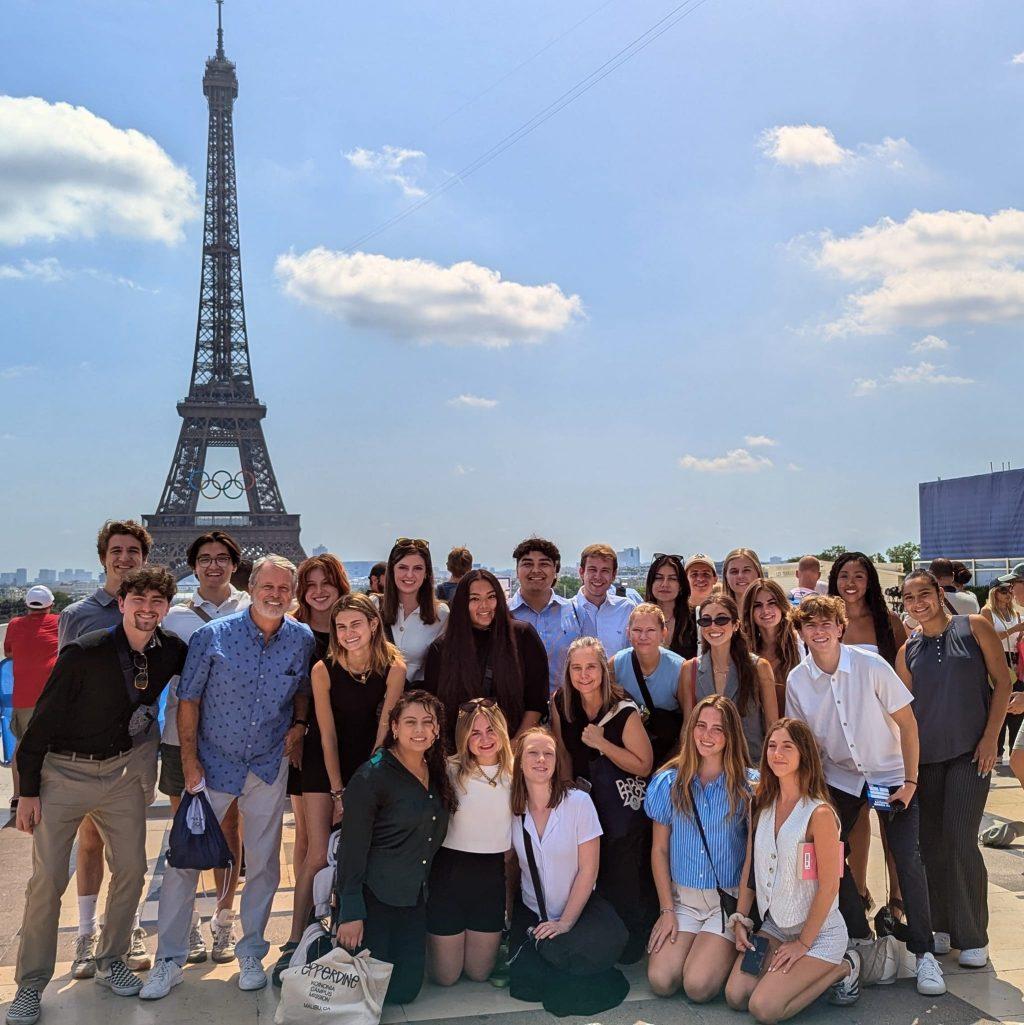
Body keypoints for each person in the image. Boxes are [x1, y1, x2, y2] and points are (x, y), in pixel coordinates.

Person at [8, 567, 186, 1025]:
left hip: (122, 772)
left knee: (131, 869)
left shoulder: (171, 652)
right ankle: (30, 984)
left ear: (167, 608)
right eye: (138, 600)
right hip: (64, 771)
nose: (147, 609)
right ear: (121, 602)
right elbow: (40, 722)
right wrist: (26, 792)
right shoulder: (84, 652)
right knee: (48, 881)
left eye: (157, 602)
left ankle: (111, 961)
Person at [141, 555, 316, 1000]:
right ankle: (169, 958)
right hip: (213, 762)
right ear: (251, 586)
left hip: (266, 764)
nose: (275, 595)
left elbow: (301, 691)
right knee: (183, 859)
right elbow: (189, 699)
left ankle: (252, 949)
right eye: (268, 586)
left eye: (283, 588)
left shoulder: (301, 639)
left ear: (291, 595)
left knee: (263, 863)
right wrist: (191, 760)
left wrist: (297, 726)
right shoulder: (211, 636)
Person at [786, 595, 946, 995]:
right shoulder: (797, 680)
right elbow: (805, 744)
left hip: (890, 774)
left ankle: (924, 954)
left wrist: (910, 782)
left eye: (826, 624)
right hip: (839, 778)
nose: (818, 631)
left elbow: (907, 724)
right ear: (800, 632)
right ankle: (857, 938)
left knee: (907, 856)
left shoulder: (870, 665)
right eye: (810, 625)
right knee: (829, 859)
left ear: (840, 627)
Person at [278, 592, 404, 976]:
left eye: (356, 624)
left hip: (372, 760)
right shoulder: (323, 669)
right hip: (324, 763)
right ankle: (295, 939)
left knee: (363, 851)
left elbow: (386, 729)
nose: (349, 633)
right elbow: (327, 733)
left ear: (373, 625)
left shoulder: (394, 667)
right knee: (318, 854)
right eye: (341, 626)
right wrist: (338, 791)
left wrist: (363, 786)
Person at [898, 570, 1010, 968]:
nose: (917, 603)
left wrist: (990, 738)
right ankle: (941, 926)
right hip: (926, 761)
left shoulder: (975, 627)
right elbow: (904, 715)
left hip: (969, 754)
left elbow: (1004, 682)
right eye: (909, 597)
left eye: (924, 593)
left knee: (961, 839)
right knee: (931, 845)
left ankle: (973, 934)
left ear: (938, 594)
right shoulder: (907, 650)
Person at [57, 519, 154, 978]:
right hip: (91, 748)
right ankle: (85, 935)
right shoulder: (79, 614)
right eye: (116, 551)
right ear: (103, 558)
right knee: (91, 841)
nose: (124, 558)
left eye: (132, 551)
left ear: (144, 557)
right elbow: (63, 685)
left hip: (137, 746)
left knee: (130, 849)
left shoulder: (155, 610)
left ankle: (128, 927)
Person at [724, 718, 859, 1023]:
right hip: (775, 927)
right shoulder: (759, 802)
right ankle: (787, 974)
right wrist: (741, 918)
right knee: (735, 996)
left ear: (803, 755)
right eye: (772, 746)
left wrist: (802, 944)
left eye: (787, 746)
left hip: (819, 933)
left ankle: (843, 968)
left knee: (764, 1008)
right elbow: (750, 866)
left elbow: (829, 887)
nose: (777, 753)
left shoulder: (819, 813)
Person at [159, 531, 249, 966]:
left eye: (222, 558)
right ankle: (190, 924)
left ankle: (224, 920)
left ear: (235, 564)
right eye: (205, 559)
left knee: (230, 828)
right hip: (184, 738)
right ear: (193, 566)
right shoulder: (172, 617)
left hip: (233, 741)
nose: (213, 566)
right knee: (186, 830)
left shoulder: (252, 608)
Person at [335, 691, 456, 1005]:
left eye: (428, 723)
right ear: (394, 727)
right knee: (366, 993)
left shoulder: (437, 770)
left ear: (438, 729)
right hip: (373, 899)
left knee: (405, 991)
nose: (420, 730)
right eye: (410, 722)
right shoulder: (371, 776)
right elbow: (351, 847)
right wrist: (350, 913)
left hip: (413, 897)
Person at [507, 727, 629, 1016]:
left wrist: (565, 923)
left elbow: (589, 869)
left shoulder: (578, 803)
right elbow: (508, 865)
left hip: (579, 910)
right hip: (535, 913)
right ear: (519, 761)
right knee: (526, 984)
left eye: (548, 753)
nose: (541, 760)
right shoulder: (511, 808)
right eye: (533, 753)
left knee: (580, 961)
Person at [274, 554, 354, 981]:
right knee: (310, 843)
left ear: (341, 585)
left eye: (327, 583)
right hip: (309, 747)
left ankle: (331, 923)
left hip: (351, 746)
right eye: (310, 585)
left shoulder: (355, 625)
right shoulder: (296, 632)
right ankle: (298, 933)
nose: (319, 591)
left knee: (335, 844)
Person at [551, 637, 654, 962]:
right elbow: (563, 751)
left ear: (603, 670)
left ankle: (633, 945)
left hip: (620, 811)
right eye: (577, 668)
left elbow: (644, 764)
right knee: (588, 874)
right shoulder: (560, 702)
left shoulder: (623, 709)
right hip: (583, 802)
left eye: (591, 667)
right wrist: (567, 791)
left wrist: (603, 743)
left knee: (621, 874)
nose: (584, 675)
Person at [645, 695, 753, 1002]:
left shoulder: (747, 788)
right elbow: (660, 851)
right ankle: (699, 948)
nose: (707, 735)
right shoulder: (669, 782)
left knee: (698, 987)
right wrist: (667, 910)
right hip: (683, 901)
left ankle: (724, 950)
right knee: (661, 981)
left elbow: (750, 860)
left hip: (726, 903)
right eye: (701, 725)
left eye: (718, 729)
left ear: (730, 735)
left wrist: (742, 915)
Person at [827, 551, 907, 908]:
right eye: (844, 575)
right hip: (841, 738)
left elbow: (905, 678)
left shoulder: (888, 621)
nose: (851, 583)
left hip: (884, 737)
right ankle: (859, 896)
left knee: (894, 828)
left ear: (870, 581)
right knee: (856, 826)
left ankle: (899, 903)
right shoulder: (825, 623)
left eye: (859, 575)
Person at [427, 698, 513, 986]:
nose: (485, 739)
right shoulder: (447, 771)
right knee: (446, 977)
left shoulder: (517, 775)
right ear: (464, 737)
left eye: (491, 730)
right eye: (475, 733)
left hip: (489, 880)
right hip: (448, 876)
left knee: (478, 974)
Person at [423, 569, 547, 743]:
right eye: (474, 598)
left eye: (491, 597)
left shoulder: (522, 636)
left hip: (512, 750)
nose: (485, 605)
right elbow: (434, 707)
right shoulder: (442, 649)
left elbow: (536, 701)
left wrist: (515, 746)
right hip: (460, 757)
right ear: (461, 603)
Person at [683, 595, 778, 763]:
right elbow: (688, 726)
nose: (713, 626)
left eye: (721, 619)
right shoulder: (689, 669)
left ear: (735, 625)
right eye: (705, 621)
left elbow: (772, 726)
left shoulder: (760, 668)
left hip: (750, 769)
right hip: (706, 769)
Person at [610, 603, 687, 766]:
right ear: (628, 634)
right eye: (637, 630)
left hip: (668, 750)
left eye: (650, 630)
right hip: (629, 750)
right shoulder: (616, 664)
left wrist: (673, 764)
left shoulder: (680, 668)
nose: (643, 636)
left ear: (663, 633)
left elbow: (688, 720)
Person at [3, 586, 59, 813]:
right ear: (51, 605)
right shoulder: (59, 622)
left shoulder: (15, 625)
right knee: (55, 748)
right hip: (53, 697)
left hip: (24, 697)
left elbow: (8, 653)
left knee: (22, 747)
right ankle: (52, 794)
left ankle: (18, 796)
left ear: (27, 605)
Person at [508, 537, 576, 696]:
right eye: (527, 564)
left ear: (555, 571)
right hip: (517, 714)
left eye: (544, 564)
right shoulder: (502, 615)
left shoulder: (575, 612)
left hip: (567, 712)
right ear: (517, 571)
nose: (536, 570)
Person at [378, 538, 449, 685]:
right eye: (403, 567)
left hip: (414, 701)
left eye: (417, 568)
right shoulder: (374, 607)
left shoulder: (441, 614)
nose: (409, 575)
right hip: (374, 701)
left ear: (427, 573)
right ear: (392, 570)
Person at [741, 579, 803, 711]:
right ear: (749, 611)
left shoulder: (800, 643)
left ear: (782, 605)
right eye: (758, 605)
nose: (766, 610)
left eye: (772, 603)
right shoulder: (744, 651)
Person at [568, 543, 638, 657]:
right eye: (592, 570)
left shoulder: (627, 609)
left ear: (614, 575)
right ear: (581, 572)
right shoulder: (567, 610)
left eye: (605, 570)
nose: (598, 576)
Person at [982, 580, 1024, 759]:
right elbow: (988, 637)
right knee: (999, 706)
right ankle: (997, 751)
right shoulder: (987, 611)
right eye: (1002, 590)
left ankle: (1016, 750)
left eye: (1009, 590)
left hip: (1016, 660)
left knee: (1017, 708)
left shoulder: (1015, 612)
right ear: (994, 592)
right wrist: (1014, 629)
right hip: (997, 660)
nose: (1007, 593)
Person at [646, 554, 698, 658]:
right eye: (658, 578)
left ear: (681, 585)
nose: (665, 584)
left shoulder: (695, 618)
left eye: (672, 579)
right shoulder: (640, 617)